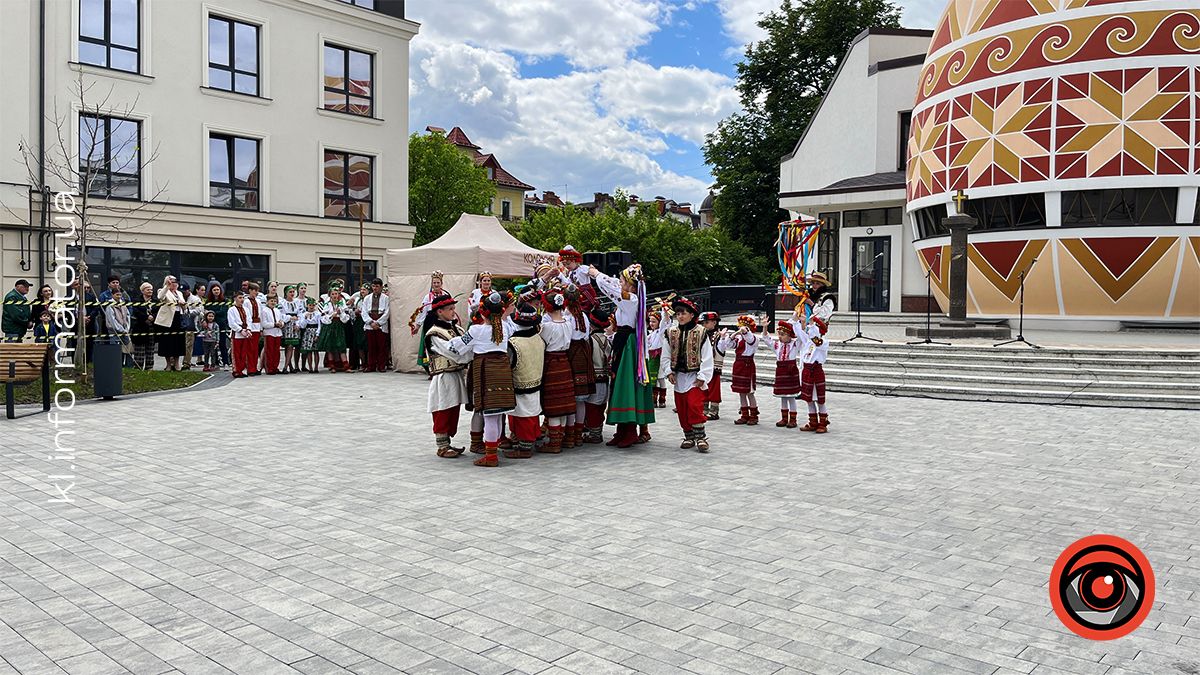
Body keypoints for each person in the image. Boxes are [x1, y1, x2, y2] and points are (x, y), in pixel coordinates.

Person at [588, 263, 655, 448]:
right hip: (623, 341)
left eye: (623, 280)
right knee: (618, 383)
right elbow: (614, 288)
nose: (620, 282)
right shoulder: (631, 298)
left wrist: (595, 274)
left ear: (632, 285)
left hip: (628, 344)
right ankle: (621, 430)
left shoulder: (631, 299)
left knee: (626, 384)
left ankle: (630, 430)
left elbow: (609, 288)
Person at [447, 291, 516, 467]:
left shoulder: (476, 330)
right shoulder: (505, 327)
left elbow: (457, 347)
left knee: (490, 415)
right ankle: (492, 450)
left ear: (482, 313)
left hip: (486, 373)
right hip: (502, 372)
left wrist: (446, 342)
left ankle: (491, 456)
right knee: (498, 413)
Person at [659, 298, 714, 452]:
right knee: (682, 407)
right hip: (678, 377)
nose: (680, 316)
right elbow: (665, 354)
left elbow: (707, 355)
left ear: (691, 315)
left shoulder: (701, 332)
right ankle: (688, 436)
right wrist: (668, 371)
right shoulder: (671, 332)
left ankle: (701, 437)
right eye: (678, 313)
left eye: (683, 313)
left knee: (694, 405)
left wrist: (702, 376)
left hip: (694, 377)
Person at [423, 292, 469, 457]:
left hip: (456, 374)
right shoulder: (434, 333)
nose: (453, 311)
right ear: (439, 311)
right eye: (450, 309)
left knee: (453, 408)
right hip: (444, 376)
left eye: (453, 308)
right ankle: (442, 446)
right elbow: (453, 351)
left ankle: (448, 443)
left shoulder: (457, 328)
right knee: (443, 408)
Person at [538, 289, 577, 454]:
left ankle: (554, 443)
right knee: (563, 403)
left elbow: (542, 343)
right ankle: (560, 439)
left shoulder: (546, 326)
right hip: (565, 362)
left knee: (554, 403)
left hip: (552, 362)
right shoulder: (569, 322)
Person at [505, 303, 545, 459]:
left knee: (523, 415)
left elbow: (508, 362)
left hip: (520, 383)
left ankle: (525, 447)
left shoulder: (513, 343)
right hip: (536, 380)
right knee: (532, 411)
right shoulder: (538, 338)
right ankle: (532, 437)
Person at [564, 285, 594, 449]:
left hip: (571, 354)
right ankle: (578, 434)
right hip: (583, 353)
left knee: (571, 398)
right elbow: (587, 335)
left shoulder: (566, 318)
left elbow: (566, 339)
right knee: (580, 399)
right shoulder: (583, 316)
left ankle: (569, 436)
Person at [796, 309, 832, 433]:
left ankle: (823, 423)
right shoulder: (808, 342)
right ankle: (813, 422)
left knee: (819, 400)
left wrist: (811, 324)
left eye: (814, 327)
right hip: (807, 371)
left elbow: (816, 339)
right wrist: (799, 321)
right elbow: (800, 333)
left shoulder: (822, 343)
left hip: (816, 372)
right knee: (809, 399)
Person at [762, 319, 802, 428]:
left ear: (789, 335)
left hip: (791, 371)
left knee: (791, 396)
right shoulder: (777, 345)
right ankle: (784, 418)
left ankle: (793, 419)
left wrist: (799, 324)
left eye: (783, 335)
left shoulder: (795, 344)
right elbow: (766, 339)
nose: (780, 337)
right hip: (781, 371)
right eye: (779, 334)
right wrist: (765, 327)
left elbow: (802, 337)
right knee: (783, 396)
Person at [723, 315, 760, 426]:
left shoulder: (754, 338)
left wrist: (744, 331)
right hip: (738, 364)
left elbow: (749, 339)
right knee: (741, 392)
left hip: (747, 364)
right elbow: (728, 345)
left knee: (749, 392)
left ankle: (754, 415)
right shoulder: (739, 339)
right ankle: (744, 415)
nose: (741, 328)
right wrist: (734, 334)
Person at [582, 308, 612, 444]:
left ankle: (595, 434)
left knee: (593, 407)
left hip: (594, 379)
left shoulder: (590, 340)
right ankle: (596, 430)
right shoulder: (608, 339)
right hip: (606, 379)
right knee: (600, 406)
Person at [410, 271, 445, 371]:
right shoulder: (427, 297)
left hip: (441, 322)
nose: (436, 285)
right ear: (432, 284)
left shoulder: (445, 295)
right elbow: (423, 312)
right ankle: (430, 368)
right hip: (430, 322)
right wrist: (418, 325)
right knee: (429, 345)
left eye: (438, 282)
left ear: (441, 283)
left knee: (441, 343)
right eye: (434, 283)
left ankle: (441, 366)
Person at [154, 275, 186, 371]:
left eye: (175, 282)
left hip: (178, 318)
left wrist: (182, 304)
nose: (174, 284)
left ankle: (176, 364)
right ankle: (168, 364)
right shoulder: (163, 290)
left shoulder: (179, 293)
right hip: (167, 320)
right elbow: (160, 297)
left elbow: (184, 305)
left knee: (178, 342)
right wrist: (167, 286)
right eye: (172, 282)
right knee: (166, 342)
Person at [317, 284, 351, 371]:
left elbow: (346, 317)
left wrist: (341, 313)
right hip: (330, 327)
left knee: (341, 345)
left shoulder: (341, 303)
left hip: (339, 326)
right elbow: (324, 318)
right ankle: (332, 365)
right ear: (330, 295)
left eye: (336, 294)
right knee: (330, 346)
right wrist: (332, 315)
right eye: (333, 294)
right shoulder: (327, 304)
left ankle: (346, 365)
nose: (335, 296)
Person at [699, 311, 724, 421]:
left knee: (714, 389)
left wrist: (723, 338)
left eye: (706, 322)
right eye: (702, 323)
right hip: (703, 366)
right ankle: (704, 408)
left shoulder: (719, 336)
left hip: (714, 366)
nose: (703, 325)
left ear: (714, 322)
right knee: (703, 386)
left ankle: (714, 410)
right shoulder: (702, 335)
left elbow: (722, 347)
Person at [361, 278, 390, 372]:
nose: (375, 288)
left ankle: (381, 366)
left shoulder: (386, 298)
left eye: (377, 286)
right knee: (371, 346)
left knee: (382, 346)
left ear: (381, 287)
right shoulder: (367, 298)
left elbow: (387, 312)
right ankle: (371, 365)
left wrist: (378, 323)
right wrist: (370, 322)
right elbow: (364, 312)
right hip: (370, 324)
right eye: (373, 286)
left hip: (380, 324)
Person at [227, 290, 256, 378]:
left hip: (245, 332)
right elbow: (231, 323)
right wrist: (240, 330)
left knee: (244, 353)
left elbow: (249, 320)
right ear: (235, 299)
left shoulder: (246, 309)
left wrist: (249, 329)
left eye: (243, 298)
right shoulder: (231, 310)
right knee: (236, 353)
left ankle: (242, 369)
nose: (242, 300)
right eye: (240, 298)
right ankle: (236, 370)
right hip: (236, 334)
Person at [646, 302, 670, 408]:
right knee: (653, 379)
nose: (651, 323)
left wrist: (665, 312)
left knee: (660, 378)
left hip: (659, 358)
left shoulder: (661, 333)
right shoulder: (650, 335)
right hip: (651, 358)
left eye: (654, 321)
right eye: (650, 321)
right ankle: (653, 399)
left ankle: (662, 399)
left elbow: (665, 323)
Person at [103, 288, 133, 367]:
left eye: (120, 295)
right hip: (114, 332)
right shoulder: (110, 306)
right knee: (116, 349)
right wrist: (120, 329)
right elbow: (112, 320)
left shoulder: (123, 305)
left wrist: (127, 328)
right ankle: (116, 365)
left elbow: (127, 316)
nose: (119, 296)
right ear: (112, 295)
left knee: (128, 348)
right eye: (117, 295)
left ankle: (128, 365)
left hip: (125, 331)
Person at [130, 282, 157, 370]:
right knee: (139, 349)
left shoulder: (155, 301)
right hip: (140, 326)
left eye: (151, 289)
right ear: (142, 291)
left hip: (152, 327)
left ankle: (149, 367)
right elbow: (136, 311)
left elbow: (159, 311)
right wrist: (146, 317)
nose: (150, 291)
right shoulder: (137, 300)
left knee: (150, 349)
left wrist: (153, 316)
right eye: (148, 289)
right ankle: (138, 367)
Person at [206, 281, 231, 369]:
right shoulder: (208, 301)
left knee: (222, 344)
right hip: (211, 325)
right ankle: (215, 363)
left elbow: (223, 312)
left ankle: (226, 363)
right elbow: (207, 311)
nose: (216, 291)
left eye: (218, 289)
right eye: (214, 290)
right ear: (211, 291)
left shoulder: (224, 300)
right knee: (213, 345)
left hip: (221, 324)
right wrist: (212, 315)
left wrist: (213, 314)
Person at [280, 285, 303, 373]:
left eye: (293, 292)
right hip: (287, 325)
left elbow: (300, 314)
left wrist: (298, 324)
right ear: (286, 293)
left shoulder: (297, 302)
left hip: (294, 326)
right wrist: (290, 317)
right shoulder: (282, 303)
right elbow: (281, 314)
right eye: (290, 292)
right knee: (288, 346)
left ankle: (290, 366)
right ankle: (286, 366)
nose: (292, 294)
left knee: (291, 346)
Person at [180, 283, 204, 370]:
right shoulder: (179, 297)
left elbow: (199, 310)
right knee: (179, 343)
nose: (183, 293)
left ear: (189, 290)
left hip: (191, 323)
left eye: (185, 291)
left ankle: (187, 363)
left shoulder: (195, 299)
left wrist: (187, 310)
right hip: (180, 323)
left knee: (189, 344)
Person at [260, 295, 284, 375]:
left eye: (274, 301)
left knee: (276, 351)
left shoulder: (277, 310)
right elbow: (264, 324)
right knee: (269, 351)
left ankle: (275, 367)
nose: (273, 303)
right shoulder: (264, 311)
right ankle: (269, 368)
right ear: (267, 302)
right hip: (269, 333)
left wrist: (281, 324)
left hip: (277, 333)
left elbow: (281, 320)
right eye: (271, 301)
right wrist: (274, 324)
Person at [298, 297, 323, 372]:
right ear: (307, 305)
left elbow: (319, 325)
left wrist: (317, 334)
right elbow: (302, 325)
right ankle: (310, 367)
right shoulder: (304, 314)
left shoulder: (318, 314)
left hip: (315, 331)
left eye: (313, 305)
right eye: (310, 305)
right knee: (309, 351)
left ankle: (316, 367)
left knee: (316, 351)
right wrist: (305, 318)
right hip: (308, 332)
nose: (311, 307)